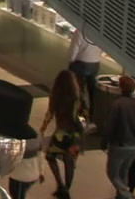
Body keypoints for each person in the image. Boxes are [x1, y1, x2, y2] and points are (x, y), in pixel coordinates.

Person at [39, 69, 88, 199]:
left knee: (50, 156)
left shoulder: (56, 96)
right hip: (75, 135)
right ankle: (67, 188)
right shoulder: (78, 97)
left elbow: (49, 114)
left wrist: (42, 129)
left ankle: (60, 185)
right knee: (69, 162)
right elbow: (85, 115)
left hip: (60, 134)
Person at [100, 75, 135, 199]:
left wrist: (104, 142)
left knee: (112, 173)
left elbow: (110, 126)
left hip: (120, 144)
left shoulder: (117, 104)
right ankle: (121, 197)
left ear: (120, 88)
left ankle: (126, 194)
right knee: (124, 171)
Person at [8, 133, 45, 199]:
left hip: (21, 176)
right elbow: (41, 156)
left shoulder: (15, 137)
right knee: (16, 194)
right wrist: (41, 171)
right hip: (29, 173)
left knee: (17, 195)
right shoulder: (36, 135)